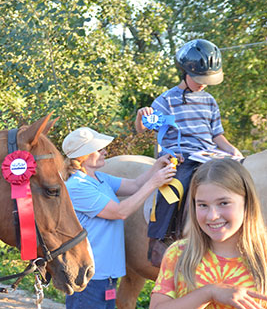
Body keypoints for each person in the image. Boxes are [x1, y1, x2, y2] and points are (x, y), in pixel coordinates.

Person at [135, 39, 243, 266]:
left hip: (210, 155)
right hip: (181, 157)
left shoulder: (209, 100)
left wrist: (233, 151)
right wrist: (141, 116)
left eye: (208, 80)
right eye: (199, 79)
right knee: (176, 186)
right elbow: (143, 128)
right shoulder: (166, 100)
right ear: (185, 72)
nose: (203, 84)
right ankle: (161, 240)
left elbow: (216, 136)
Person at [62, 127, 176, 309]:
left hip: (106, 274)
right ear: (83, 155)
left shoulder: (99, 178)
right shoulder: (77, 186)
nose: (105, 152)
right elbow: (120, 211)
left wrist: (156, 167)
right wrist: (155, 182)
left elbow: (136, 184)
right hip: (91, 277)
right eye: (99, 150)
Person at [150, 159, 267, 309]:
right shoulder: (179, 253)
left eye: (223, 203)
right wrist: (209, 293)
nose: (212, 216)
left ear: (247, 202)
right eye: (203, 205)